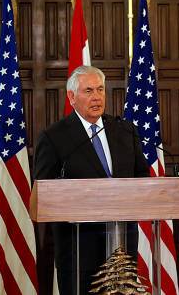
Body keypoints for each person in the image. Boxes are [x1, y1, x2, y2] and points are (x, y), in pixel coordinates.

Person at [33, 65, 148, 294]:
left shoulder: (124, 130)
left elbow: (142, 178)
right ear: (72, 97)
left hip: (121, 244)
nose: (96, 97)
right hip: (78, 249)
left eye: (100, 90)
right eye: (88, 91)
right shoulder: (54, 137)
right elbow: (43, 191)